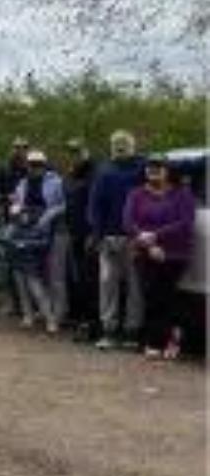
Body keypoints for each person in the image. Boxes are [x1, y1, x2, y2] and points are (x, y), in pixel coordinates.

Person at [123, 154, 196, 360]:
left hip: (174, 254)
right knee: (151, 297)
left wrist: (156, 236)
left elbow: (185, 223)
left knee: (163, 296)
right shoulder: (136, 194)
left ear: (168, 170)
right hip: (144, 251)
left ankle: (158, 342)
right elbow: (128, 221)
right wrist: (147, 241)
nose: (153, 170)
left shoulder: (182, 194)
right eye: (150, 167)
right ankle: (170, 336)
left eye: (158, 167)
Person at [88, 130, 146, 350]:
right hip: (109, 237)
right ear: (112, 146)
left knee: (135, 287)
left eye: (124, 143)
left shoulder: (142, 168)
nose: (120, 146)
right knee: (107, 286)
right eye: (116, 143)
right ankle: (108, 332)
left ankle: (132, 332)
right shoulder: (104, 170)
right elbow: (95, 206)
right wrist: (98, 235)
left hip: (135, 237)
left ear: (132, 145)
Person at [10, 150, 66, 332]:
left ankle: (55, 316)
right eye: (31, 164)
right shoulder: (22, 183)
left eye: (38, 164)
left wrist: (48, 216)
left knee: (52, 277)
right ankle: (28, 314)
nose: (35, 168)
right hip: (25, 231)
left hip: (52, 232)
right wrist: (15, 209)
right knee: (21, 274)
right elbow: (16, 205)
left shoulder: (56, 182)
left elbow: (63, 205)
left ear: (45, 164)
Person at [62, 138, 99, 340]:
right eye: (71, 152)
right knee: (77, 278)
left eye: (77, 151)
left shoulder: (94, 173)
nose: (74, 155)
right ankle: (80, 319)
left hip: (88, 234)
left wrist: (93, 232)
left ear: (86, 152)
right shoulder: (70, 175)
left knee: (89, 279)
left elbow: (96, 205)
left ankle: (91, 325)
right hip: (73, 233)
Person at [0, 136, 30, 217]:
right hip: (7, 206)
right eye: (17, 147)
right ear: (12, 149)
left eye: (24, 147)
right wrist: (5, 198)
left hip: (28, 207)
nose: (21, 150)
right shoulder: (3, 169)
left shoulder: (33, 168)